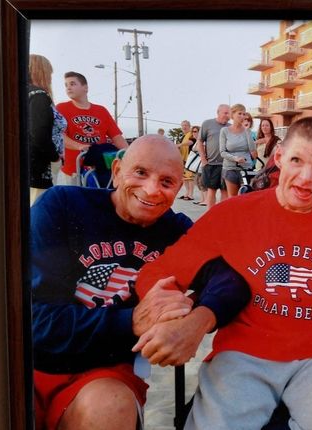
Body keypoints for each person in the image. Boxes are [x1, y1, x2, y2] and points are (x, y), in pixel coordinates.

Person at [132, 117, 312, 429]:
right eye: (297, 160)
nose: (305, 178)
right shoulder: (234, 213)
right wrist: (170, 311)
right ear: (279, 156)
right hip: (245, 353)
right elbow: (161, 273)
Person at [30, 135, 247, 430]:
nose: (152, 190)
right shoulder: (63, 206)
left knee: (110, 406)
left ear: (178, 189)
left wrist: (195, 323)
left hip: (106, 372)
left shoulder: (175, 231)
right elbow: (31, 322)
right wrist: (131, 321)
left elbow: (232, 280)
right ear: (117, 171)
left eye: (167, 181)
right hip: (34, 363)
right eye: (141, 173)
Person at [56, 71, 128, 185]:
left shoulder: (101, 111)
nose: (68, 88)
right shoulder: (62, 108)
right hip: (73, 172)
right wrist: (80, 146)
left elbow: (117, 137)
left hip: (99, 170)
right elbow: (59, 135)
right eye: (66, 85)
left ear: (85, 88)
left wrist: (131, 154)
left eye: (73, 84)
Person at [28, 54, 65, 204]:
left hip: (29, 165)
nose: (50, 78)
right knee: (37, 208)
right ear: (40, 72)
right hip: (40, 168)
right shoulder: (38, 96)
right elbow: (39, 133)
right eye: (49, 73)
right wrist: (54, 156)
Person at [196, 104, 231, 207]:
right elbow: (200, 141)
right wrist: (203, 160)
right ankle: (210, 216)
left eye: (229, 113)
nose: (227, 115)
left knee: (225, 191)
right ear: (218, 112)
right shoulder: (207, 124)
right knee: (211, 191)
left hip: (227, 165)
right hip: (212, 164)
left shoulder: (230, 127)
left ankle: (222, 216)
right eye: (225, 113)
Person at [220, 104, 257, 197]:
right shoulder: (225, 131)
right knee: (232, 198)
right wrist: (235, 158)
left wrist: (247, 130)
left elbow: (252, 150)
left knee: (245, 197)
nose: (242, 116)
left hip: (246, 168)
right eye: (239, 113)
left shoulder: (246, 131)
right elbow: (222, 152)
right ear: (233, 115)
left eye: (244, 114)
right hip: (230, 168)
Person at [176, 120, 196, 201]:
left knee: (190, 177)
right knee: (184, 177)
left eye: (186, 125)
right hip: (183, 159)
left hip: (190, 159)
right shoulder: (183, 136)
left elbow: (191, 142)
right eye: (182, 125)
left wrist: (180, 144)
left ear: (189, 126)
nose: (184, 127)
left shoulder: (191, 134)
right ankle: (186, 193)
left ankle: (191, 194)